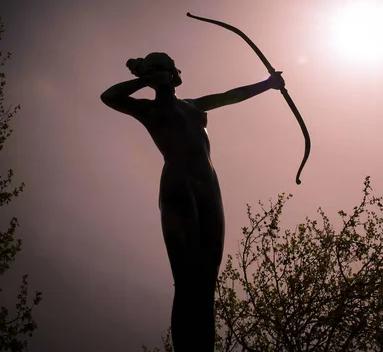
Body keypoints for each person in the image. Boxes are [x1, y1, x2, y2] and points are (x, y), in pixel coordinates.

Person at [100, 52, 284, 352]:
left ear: (175, 74)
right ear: (149, 76)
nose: (164, 74)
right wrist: (147, 80)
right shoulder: (147, 109)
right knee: (186, 280)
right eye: (156, 70)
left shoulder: (193, 106)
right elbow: (108, 96)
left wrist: (267, 84)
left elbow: (229, 96)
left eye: (166, 69)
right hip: (178, 183)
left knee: (207, 282)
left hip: (209, 186)